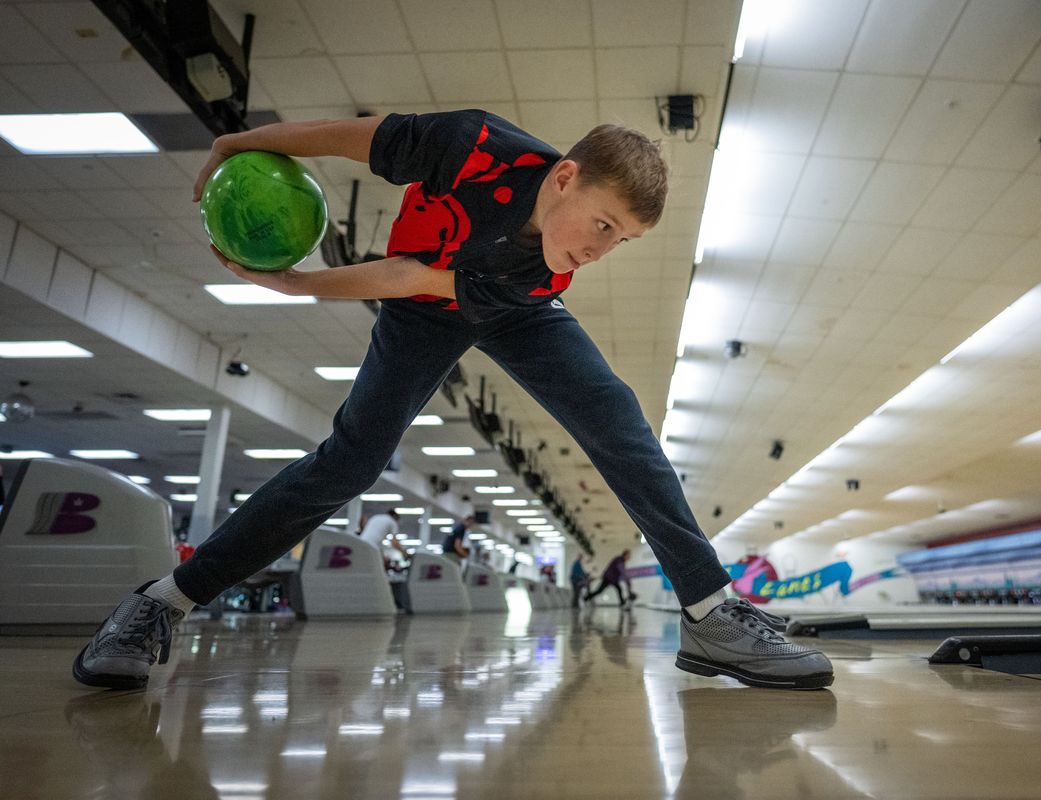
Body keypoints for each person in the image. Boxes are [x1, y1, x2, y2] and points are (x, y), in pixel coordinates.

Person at [72, 109, 833, 692]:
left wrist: (297, 285)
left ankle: (711, 613)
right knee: (350, 463)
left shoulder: (549, 272)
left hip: (508, 308)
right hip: (421, 312)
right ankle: (160, 602)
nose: (601, 249)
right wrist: (237, 143)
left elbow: (416, 276)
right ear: (565, 176)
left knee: (618, 422)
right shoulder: (469, 146)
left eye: (621, 241)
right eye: (603, 224)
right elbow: (345, 140)